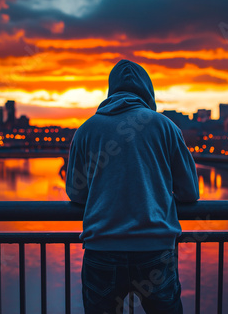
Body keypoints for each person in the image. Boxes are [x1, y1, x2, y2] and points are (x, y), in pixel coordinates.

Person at [66, 59, 199, 314]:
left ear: (111, 90)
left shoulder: (87, 130)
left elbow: (76, 193)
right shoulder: (165, 127)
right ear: (148, 92)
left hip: (102, 249)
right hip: (155, 249)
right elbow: (190, 191)